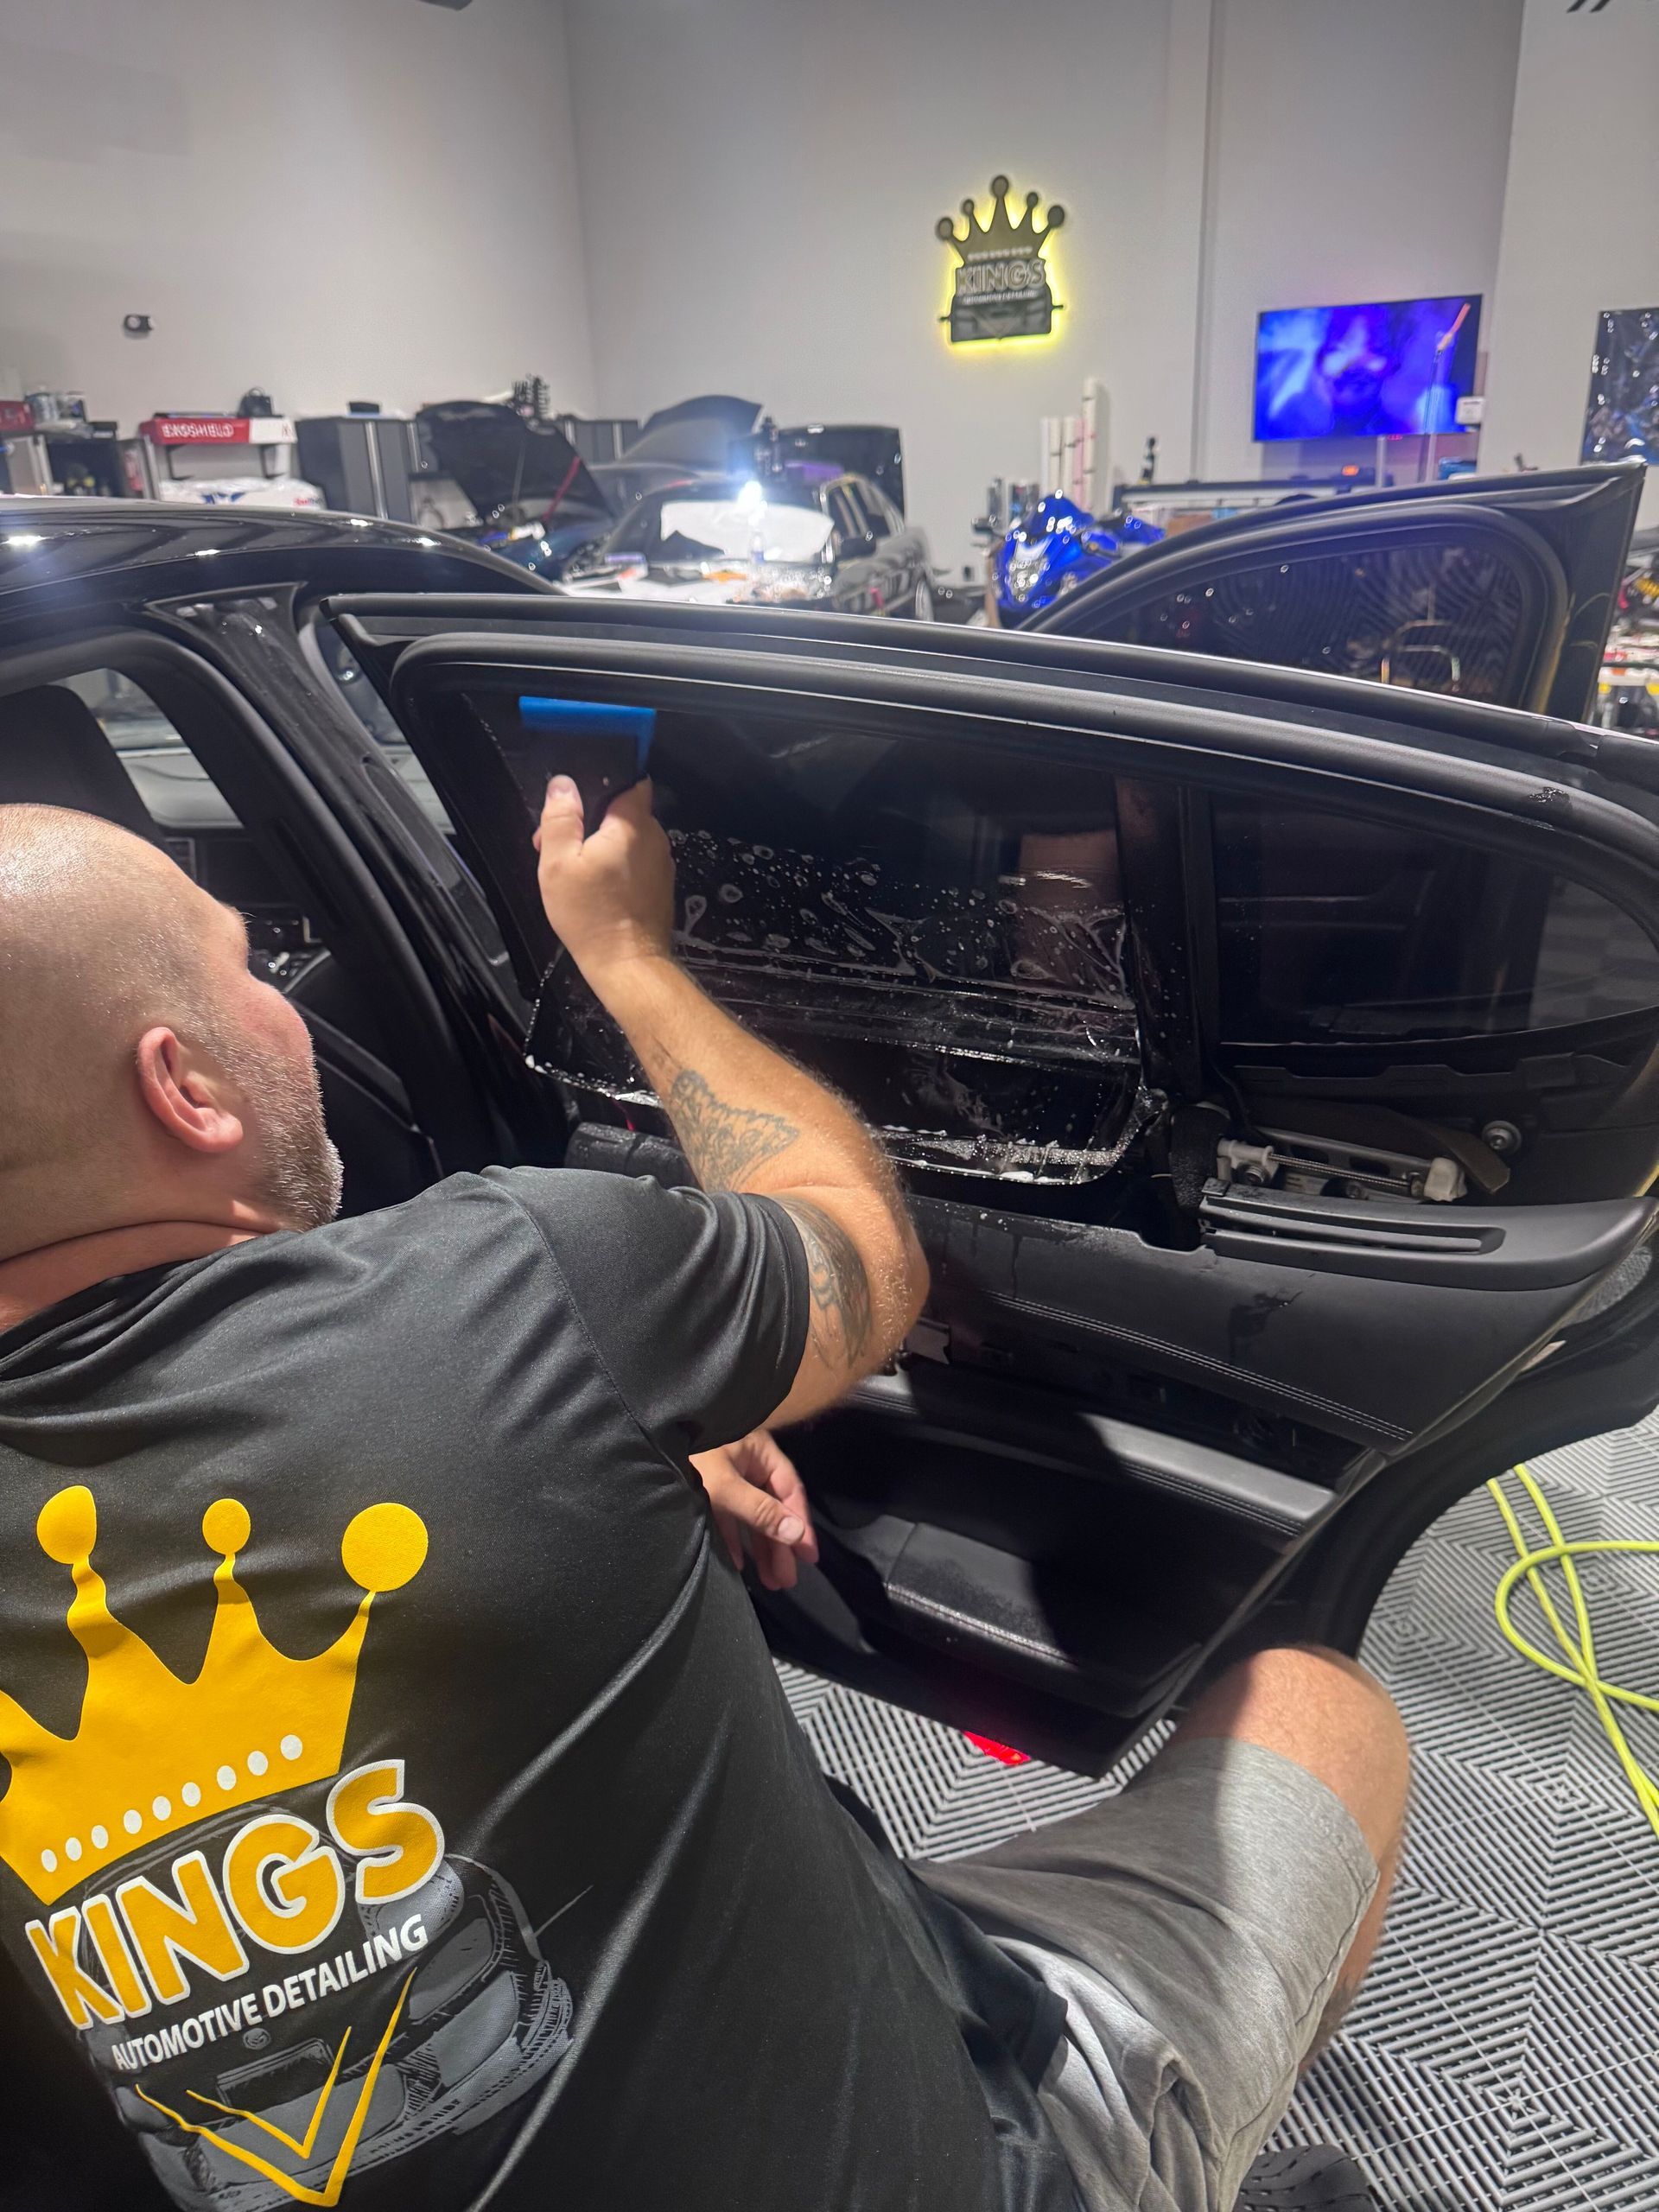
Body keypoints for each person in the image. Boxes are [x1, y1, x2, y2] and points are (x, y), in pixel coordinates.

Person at [0, 785, 1408, 2212]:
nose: (290, 1004)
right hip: (979, 2172)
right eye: (254, 968)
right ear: (186, 1084)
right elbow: (861, 1242)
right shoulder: (512, 1282)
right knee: (1325, 1709)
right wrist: (626, 956)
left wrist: (591, 1439)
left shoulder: (506, 1334)